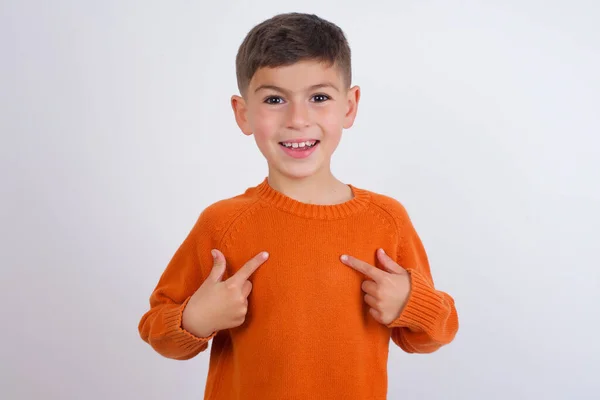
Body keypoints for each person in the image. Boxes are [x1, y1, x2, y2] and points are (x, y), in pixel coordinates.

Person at [138, 12, 459, 400]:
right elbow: (158, 328)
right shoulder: (222, 224)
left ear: (350, 105)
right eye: (275, 99)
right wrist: (195, 319)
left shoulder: (386, 221)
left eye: (319, 98)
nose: (297, 119)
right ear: (243, 114)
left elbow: (433, 335)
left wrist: (411, 305)